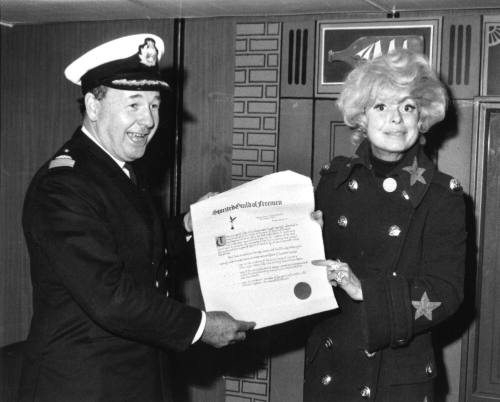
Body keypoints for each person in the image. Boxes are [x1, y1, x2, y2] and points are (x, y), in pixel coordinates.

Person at [18, 33, 255, 402]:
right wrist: (201, 326)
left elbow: (137, 248)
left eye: (155, 105)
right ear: (93, 108)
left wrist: (189, 225)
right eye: (133, 104)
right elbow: (111, 297)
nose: (148, 120)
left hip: (136, 376)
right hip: (82, 385)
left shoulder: (117, 169)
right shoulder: (62, 185)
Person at [305, 49, 466, 401]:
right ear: (362, 116)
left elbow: (446, 293)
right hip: (332, 364)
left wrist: (366, 290)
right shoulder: (333, 182)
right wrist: (302, 242)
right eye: (381, 106)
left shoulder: (442, 195)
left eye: (407, 107)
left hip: (394, 376)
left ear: (421, 118)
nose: (395, 119)